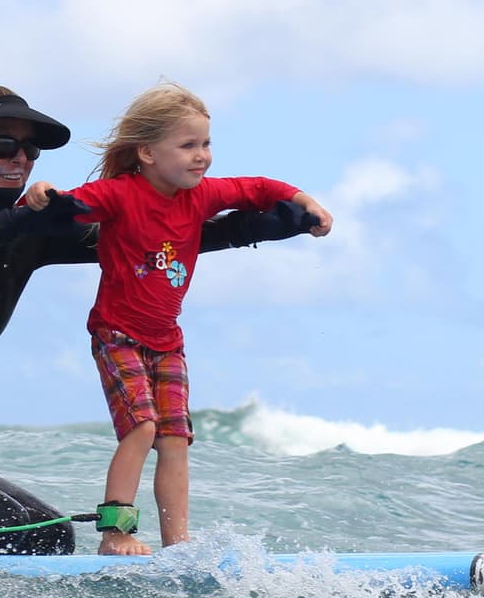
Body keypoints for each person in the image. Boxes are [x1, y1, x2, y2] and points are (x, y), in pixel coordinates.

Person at [0, 84, 318, 554]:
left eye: (30, 149)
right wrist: (14, 221)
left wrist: (267, 225)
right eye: (2, 146)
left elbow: (143, 242)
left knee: (49, 533)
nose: (20, 159)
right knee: (25, 536)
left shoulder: (28, 231)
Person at [23, 82, 332, 556]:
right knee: (142, 428)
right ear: (146, 152)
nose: (202, 156)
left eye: (206, 144)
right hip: (117, 333)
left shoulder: (202, 196)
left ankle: (177, 546)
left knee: (174, 439)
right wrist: (40, 193)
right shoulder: (120, 195)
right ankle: (115, 533)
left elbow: (258, 188)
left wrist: (305, 201)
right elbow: (66, 204)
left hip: (167, 339)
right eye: (188, 145)